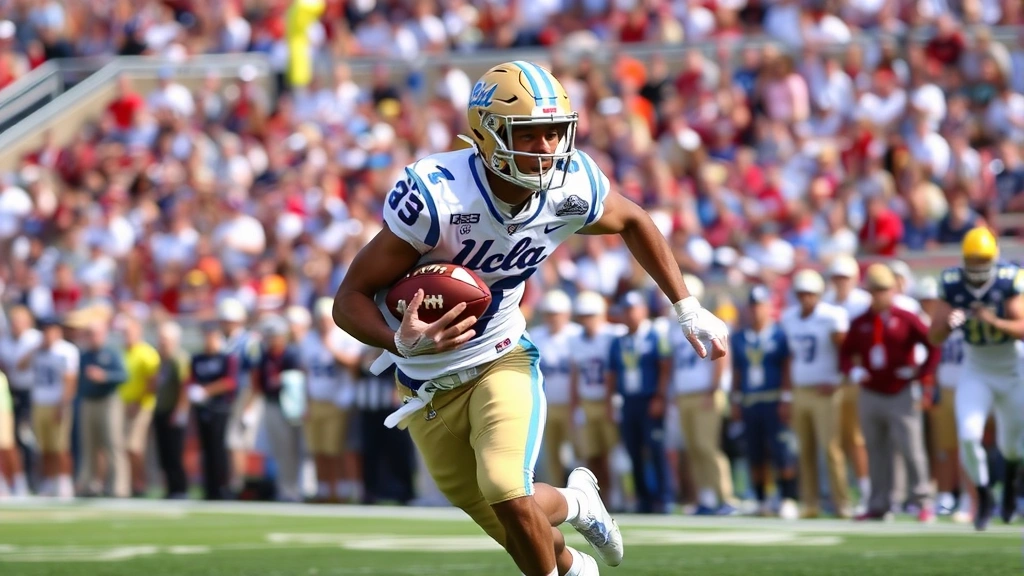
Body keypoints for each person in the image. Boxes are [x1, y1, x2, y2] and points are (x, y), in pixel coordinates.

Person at [333, 61, 729, 576]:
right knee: (511, 522)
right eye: (529, 133)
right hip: (423, 380)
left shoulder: (572, 183)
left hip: (501, 358)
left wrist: (686, 306)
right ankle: (575, 525)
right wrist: (397, 339)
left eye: (554, 131)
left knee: (505, 488)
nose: (546, 148)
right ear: (485, 135)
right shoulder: (440, 195)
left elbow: (634, 219)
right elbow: (349, 299)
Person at [929, 227, 1024, 530]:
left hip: (1011, 369)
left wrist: (993, 320)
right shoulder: (952, 282)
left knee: (1011, 446)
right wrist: (948, 323)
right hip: (977, 370)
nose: (979, 265)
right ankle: (983, 497)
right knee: (969, 435)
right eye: (973, 259)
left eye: (983, 259)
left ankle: (1010, 484)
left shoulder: (1010, 279)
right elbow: (934, 335)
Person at [841, 264, 938, 523]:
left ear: (893, 290)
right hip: (871, 392)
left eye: (884, 290)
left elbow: (933, 344)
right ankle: (879, 503)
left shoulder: (906, 317)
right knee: (876, 450)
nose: (879, 295)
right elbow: (844, 353)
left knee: (911, 448)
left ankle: (923, 502)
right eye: (875, 290)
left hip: (900, 392)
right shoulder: (861, 321)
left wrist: (920, 373)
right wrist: (853, 371)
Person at [779, 269, 851, 519]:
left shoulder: (832, 316)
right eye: (801, 294)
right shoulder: (789, 318)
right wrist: (787, 395)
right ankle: (810, 502)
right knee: (805, 449)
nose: (805, 298)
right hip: (801, 390)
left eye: (810, 294)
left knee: (830, 448)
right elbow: (788, 358)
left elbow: (847, 351)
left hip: (826, 391)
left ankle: (842, 502)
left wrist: (838, 381)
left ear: (819, 294)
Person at [730, 285, 798, 519]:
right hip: (750, 400)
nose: (756, 310)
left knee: (781, 451)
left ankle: (788, 497)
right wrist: (736, 399)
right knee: (755, 453)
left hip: (773, 398)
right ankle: (761, 498)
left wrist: (786, 398)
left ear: (769, 307)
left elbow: (787, 367)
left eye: (760, 305)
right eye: (753, 306)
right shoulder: (740, 337)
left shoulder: (778, 334)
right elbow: (737, 371)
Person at [609, 292, 672, 514]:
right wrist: (611, 401)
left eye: (634, 309)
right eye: (626, 310)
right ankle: (643, 498)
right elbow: (612, 373)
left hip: (649, 399)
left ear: (644, 311)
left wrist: (660, 397)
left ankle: (663, 497)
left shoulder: (655, 336)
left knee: (655, 448)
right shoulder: (618, 341)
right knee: (633, 450)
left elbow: (665, 367)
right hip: (629, 401)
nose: (630, 314)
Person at [530, 289, 582, 485]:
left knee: (580, 452)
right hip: (546, 404)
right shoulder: (536, 335)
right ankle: (557, 494)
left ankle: (586, 493)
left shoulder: (576, 335)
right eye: (549, 314)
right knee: (551, 454)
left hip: (573, 404)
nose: (553, 318)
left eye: (557, 313)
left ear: (567, 314)